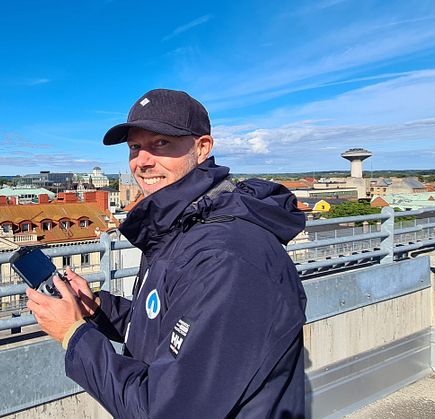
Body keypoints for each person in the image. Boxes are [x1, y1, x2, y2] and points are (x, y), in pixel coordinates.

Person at [25, 88, 307, 418]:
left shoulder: (222, 258)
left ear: (202, 148)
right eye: (135, 147)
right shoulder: (181, 225)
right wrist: (98, 308)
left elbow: (163, 409)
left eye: (161, 143)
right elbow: (163, 326)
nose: (143, 161)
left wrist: (75, 335)